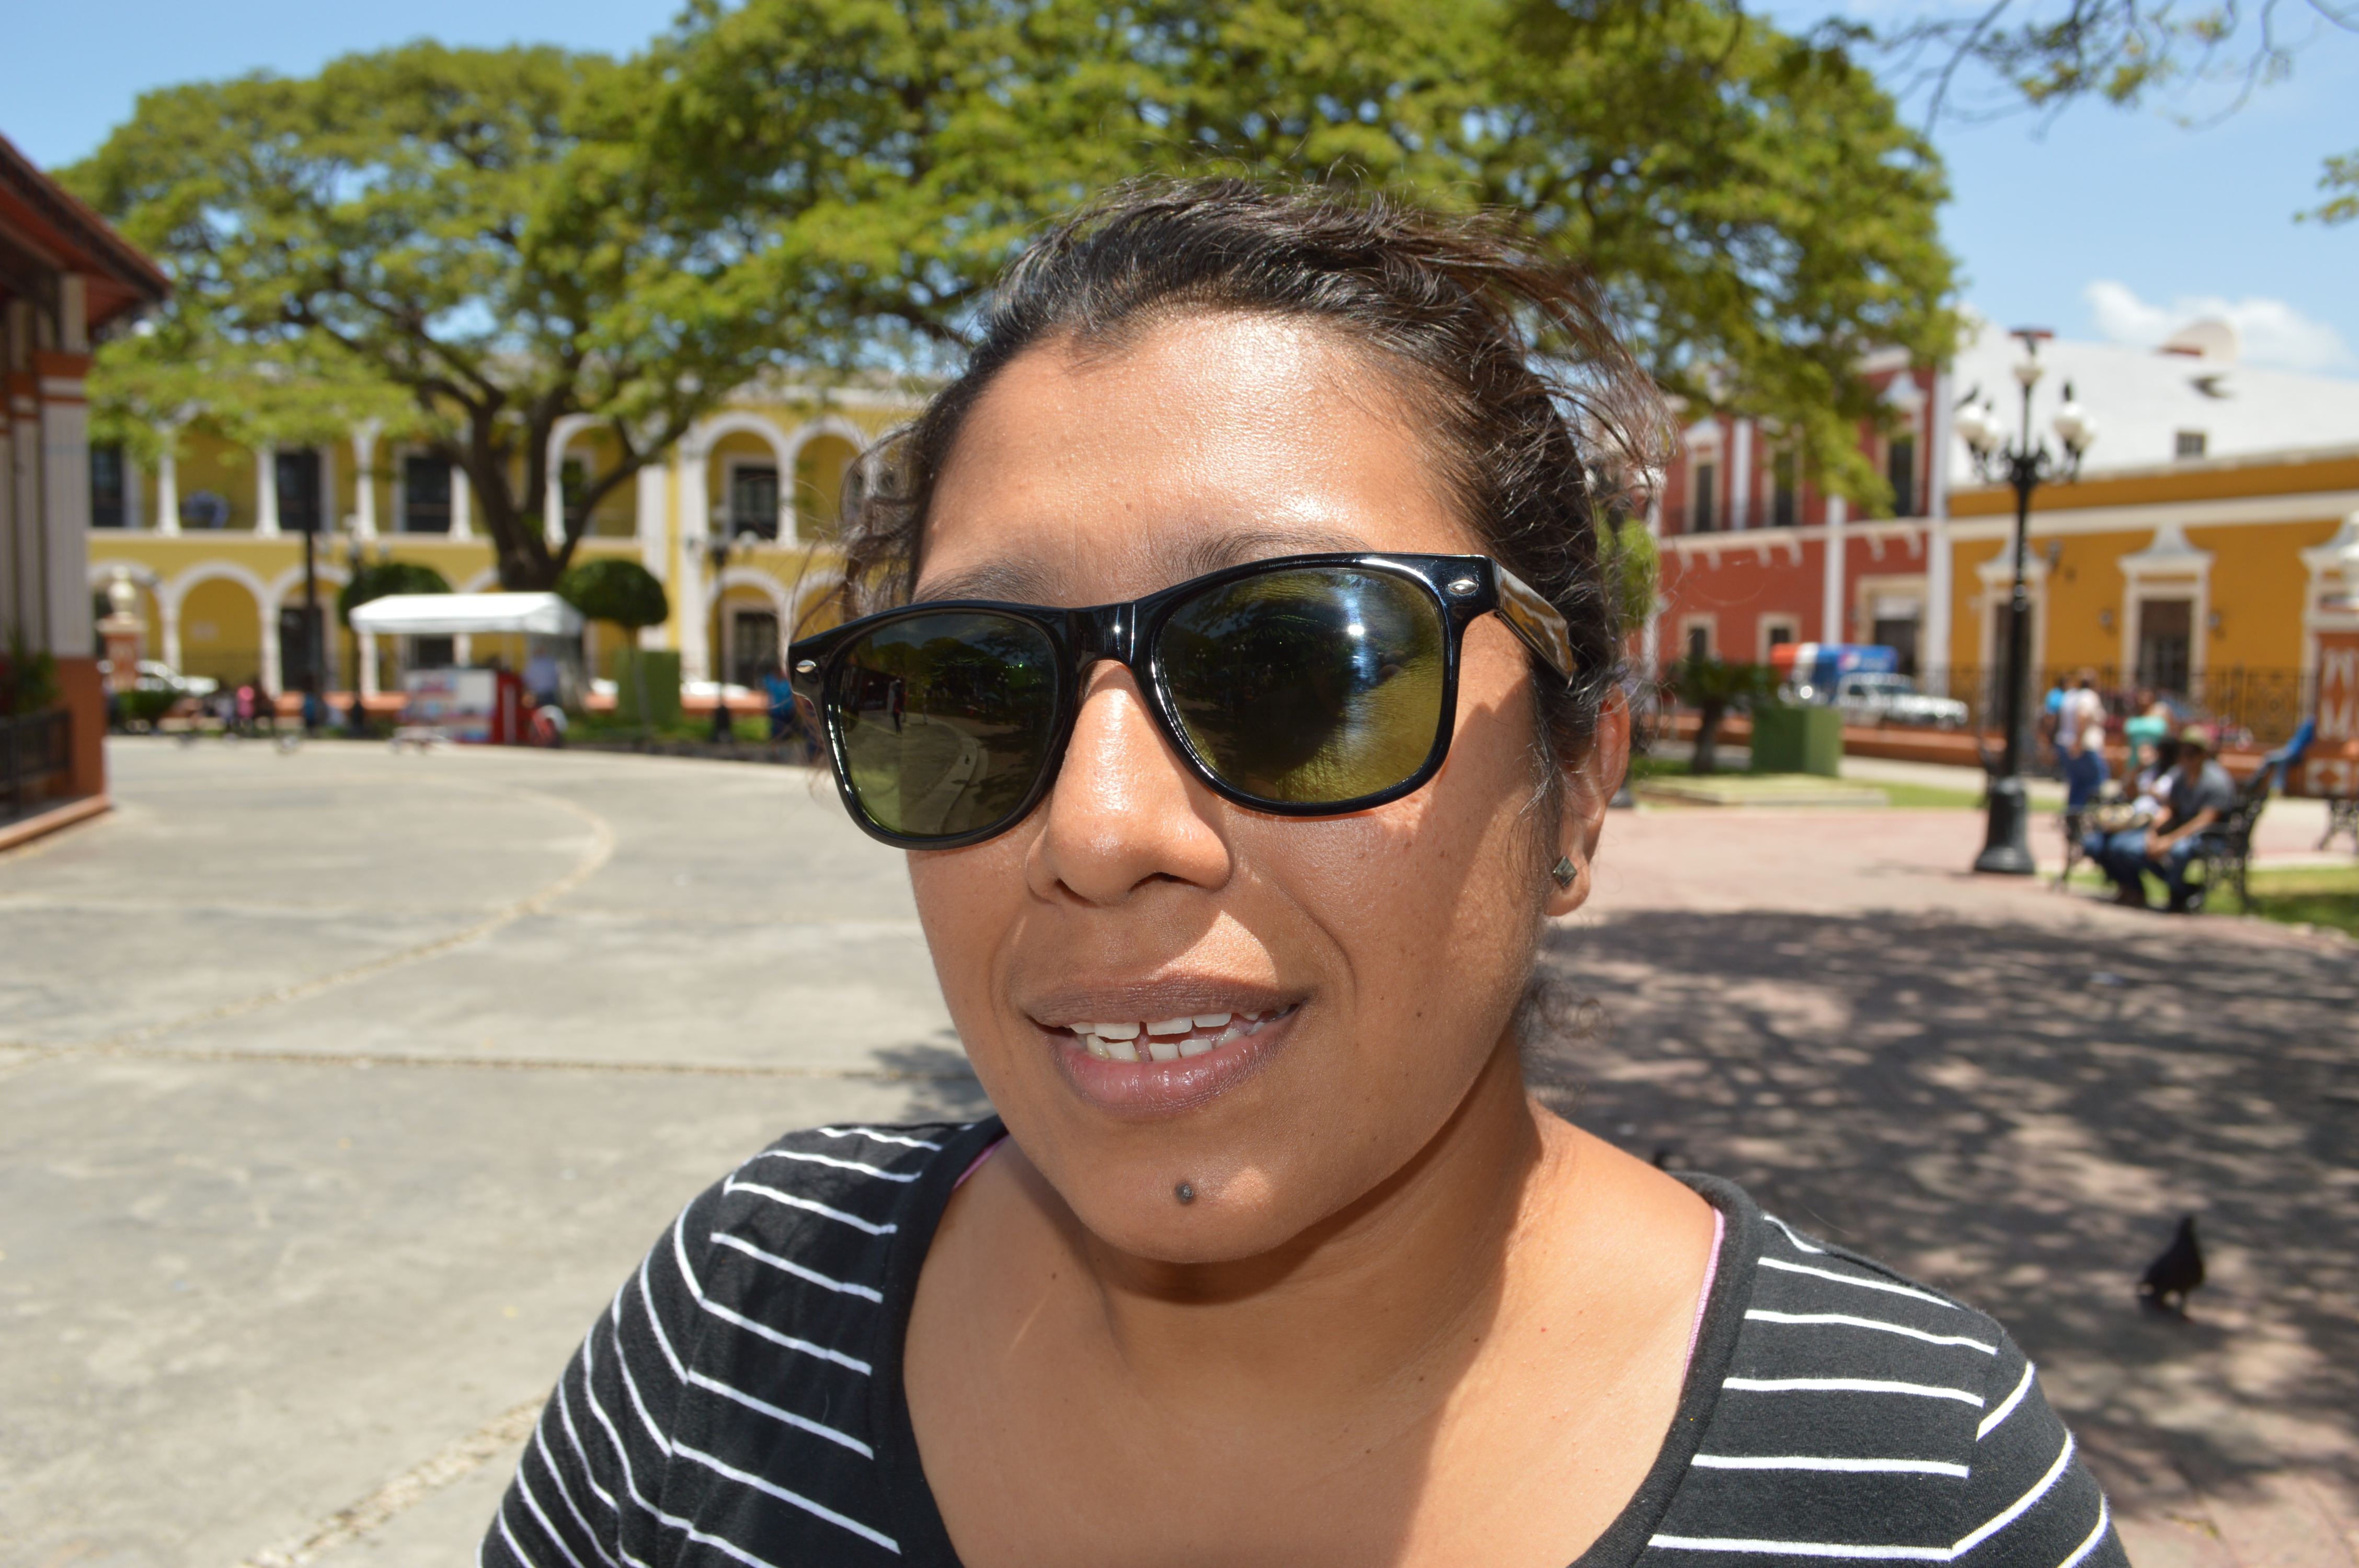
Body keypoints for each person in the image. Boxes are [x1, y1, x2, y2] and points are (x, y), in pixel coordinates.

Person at [484, 181, 2122, 1568]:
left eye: (1295, 669)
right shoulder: (733, 1327)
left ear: (1575, 783)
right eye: (971, 687)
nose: (1098, 828)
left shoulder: (1921, 1488)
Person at [2091, 726, 2238, 910]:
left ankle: (2178, 893)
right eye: (2182, 751)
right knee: (2123, 847)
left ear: (2204, 754)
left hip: (2209, 837)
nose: (2185, 757)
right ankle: (2182, 890)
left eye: (2192, 752)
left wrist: (2168, 841)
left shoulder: (2216, 782)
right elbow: (2170, 808)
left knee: (2179, 852)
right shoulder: (2181, 775)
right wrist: (2153, 833)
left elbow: (2204, 821)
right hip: (2177, 831)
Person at [2058, 669, 2108, 811]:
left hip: (2065, 743)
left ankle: (2073, 814)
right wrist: (2078, 742)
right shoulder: (2089, 696)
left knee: (2077, 782)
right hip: (2085, 746)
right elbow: (2083, 716)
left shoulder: (2070, 696)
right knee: (2097, 779)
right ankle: (2086, 814)